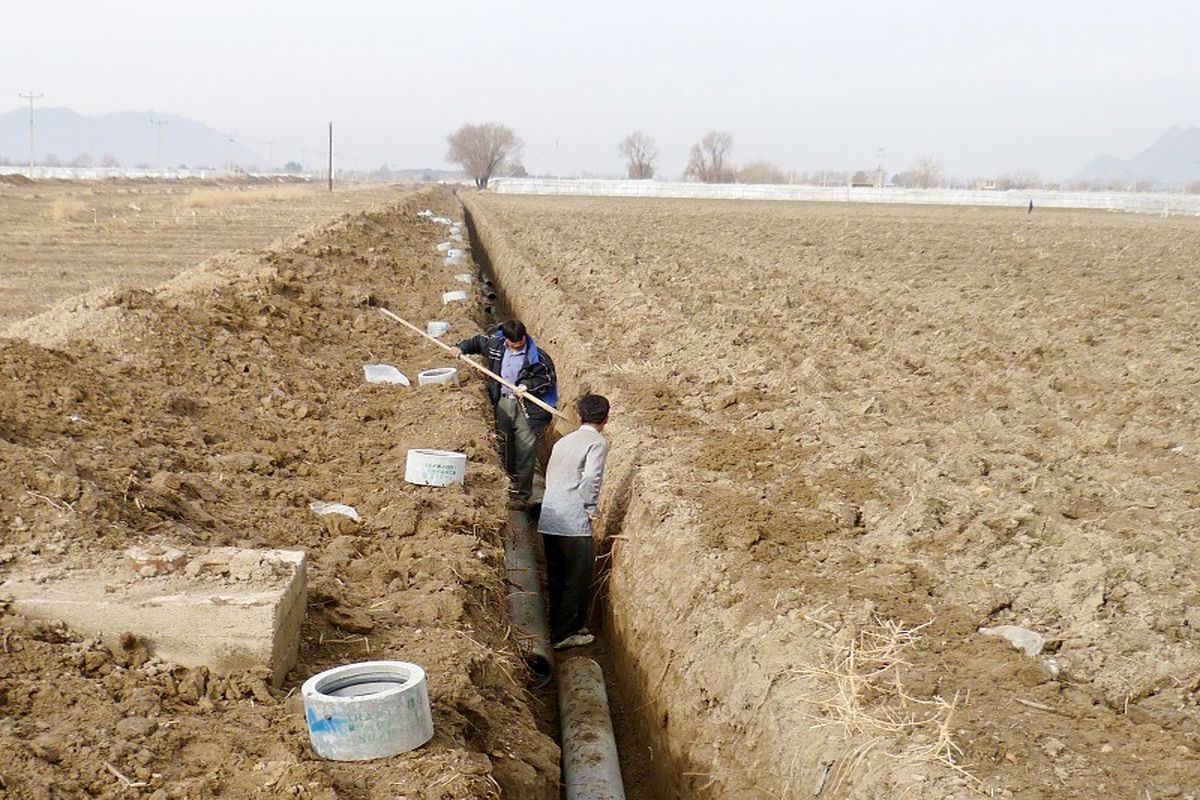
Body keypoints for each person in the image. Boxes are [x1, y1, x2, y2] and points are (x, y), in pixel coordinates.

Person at [451, 320, 558, 507]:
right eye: (513, 345)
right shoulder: (495, 346)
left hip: (528, 408)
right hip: (503, 402)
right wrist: (460, 348)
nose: (517, 348)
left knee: (526, 449)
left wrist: (528, 386)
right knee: (504, 443)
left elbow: (547, 380)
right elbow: (476, 342)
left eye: (520, 344)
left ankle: (525, 495)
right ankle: (509, 487)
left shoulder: (538, 357)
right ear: (506, 340)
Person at [537, 394, 610, 650]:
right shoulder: (597, 443)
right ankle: (564, 634)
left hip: (550, 517)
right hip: (572, 519)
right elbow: (591, 478)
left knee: (557, 576)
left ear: (579, 416)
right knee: (576, 579)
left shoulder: (564, 441)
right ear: (606, 419)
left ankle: (556, 625)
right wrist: (589, 507)